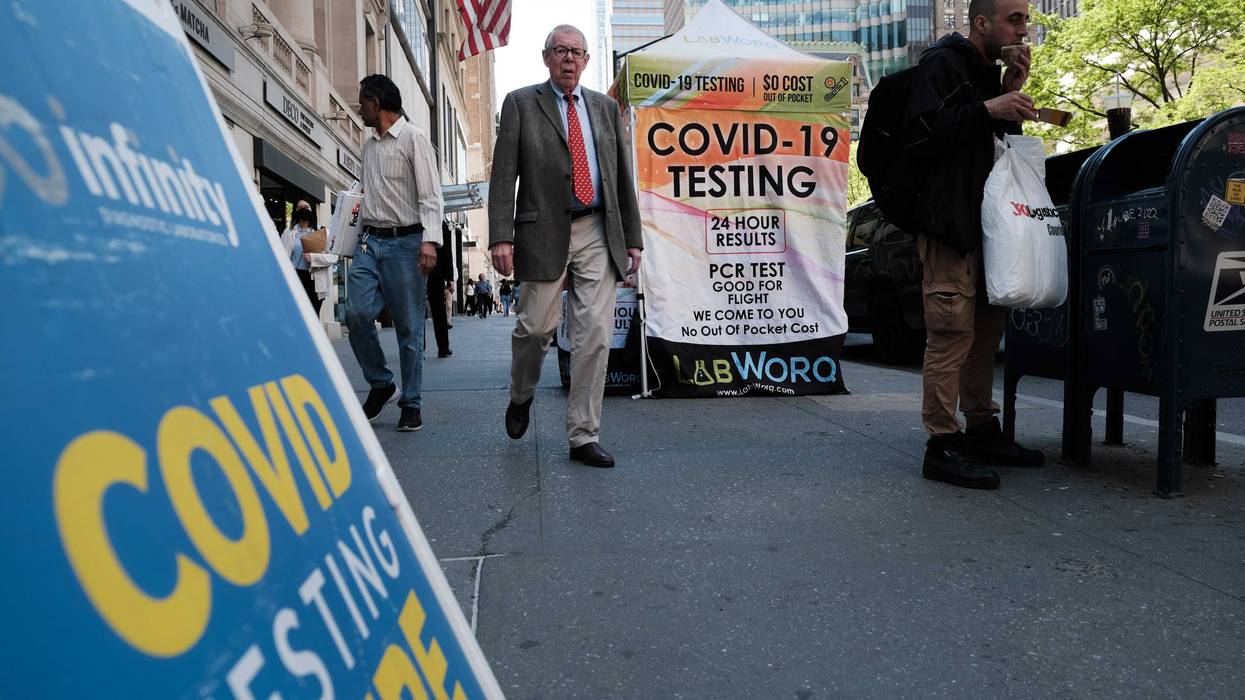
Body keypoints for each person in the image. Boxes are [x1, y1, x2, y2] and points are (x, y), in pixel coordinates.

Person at [902, 0, 1044, 489]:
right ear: (981, 23)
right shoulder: (942, 62)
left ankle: (981, 427)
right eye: (1015, 19)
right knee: (950, 332)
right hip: (950, 225)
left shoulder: (987, 73)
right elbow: (918, 135)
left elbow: (993, 147)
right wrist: (989, 106)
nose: (1023, 28)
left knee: (985, 332)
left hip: (989, 226)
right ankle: (942, 442)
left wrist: (1010, 94)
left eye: (1025, 19)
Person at [489, 24, 643, 469]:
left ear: (586, 60)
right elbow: (503, 176)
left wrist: (633, 239)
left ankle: (583, 434)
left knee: (594, 335)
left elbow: (620, 178)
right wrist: (501, 236)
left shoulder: (605, 108)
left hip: (598, 229)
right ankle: (521, 395)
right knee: (535, 330)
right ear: (546, 58)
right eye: (560, 51)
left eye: (576, 52)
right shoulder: (521, 103)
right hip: (541, 232)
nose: (569, 59)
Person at [346, 74, 443, 432]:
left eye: (361, 102)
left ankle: (411, 401)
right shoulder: (369, 146)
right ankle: (381, 382)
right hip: (370, 242)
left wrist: (429, 241)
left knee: (408, 327)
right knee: (356, 311)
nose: (358, 110)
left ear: (376, 103)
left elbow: (431, 196)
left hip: (406, 243)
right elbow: (364, 192)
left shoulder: (414, 139)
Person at [281, 206, 335, 316]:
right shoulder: (288, 233)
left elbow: (333, 257)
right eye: (300, 207)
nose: (303, 210)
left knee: (313, 315)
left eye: (306, 207)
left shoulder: (322, 231)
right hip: (295, 278)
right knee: (295, 315)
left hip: (314, 280)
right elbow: (281, 256)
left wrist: (313, 257)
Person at [426, 221, 455, 357]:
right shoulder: (440, 224)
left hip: (416, 269)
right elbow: (446, 252)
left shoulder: (414, 217)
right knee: (439, 311)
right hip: (435, 272)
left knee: (416, 310)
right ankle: (443, 347)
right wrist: (449, 278)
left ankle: (420, 347)